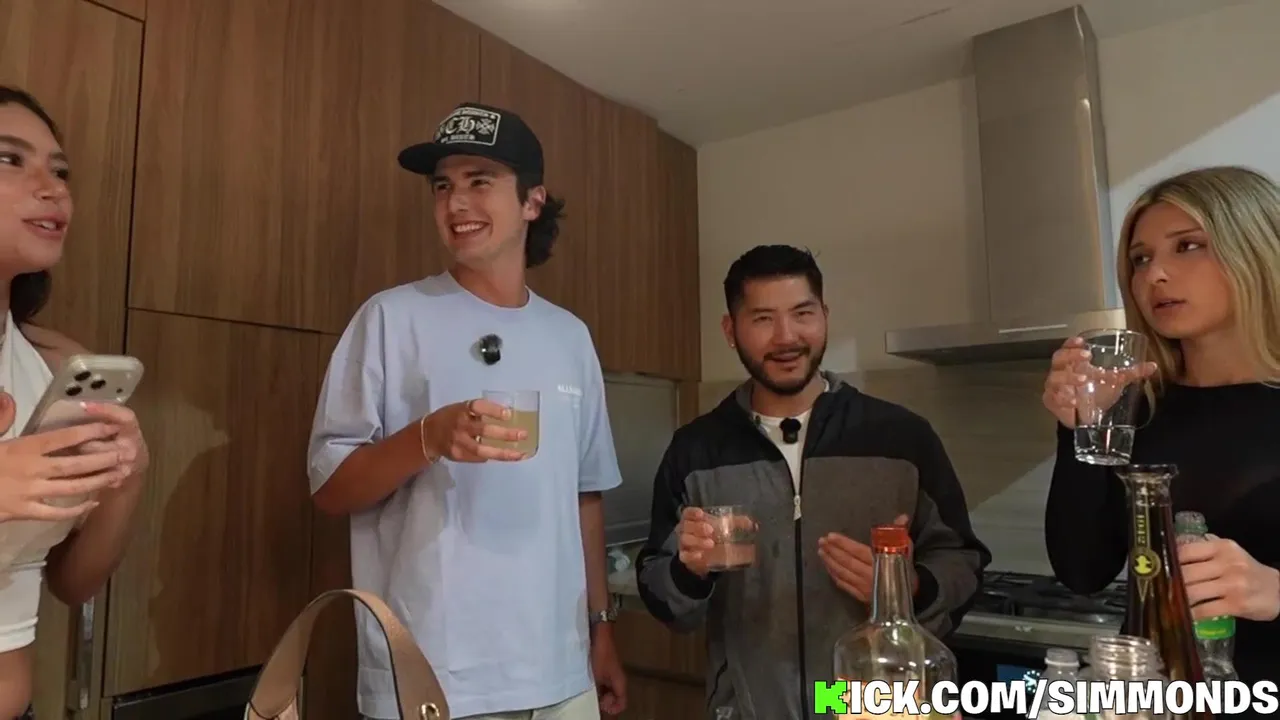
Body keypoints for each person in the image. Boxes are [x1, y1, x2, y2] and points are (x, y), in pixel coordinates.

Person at [308, 102, 627, 720]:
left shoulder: (569, 337)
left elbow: (584, 496)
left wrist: (601, 628)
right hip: (434, 676)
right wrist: (428, 437)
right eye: (442, 186)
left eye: (480, 181)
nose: (456, 203)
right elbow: (329, 489)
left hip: (561, 672)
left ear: (533, 201)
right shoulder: (391, 318)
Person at [634, 245, 989, 719]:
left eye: (802, 314)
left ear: (824, 315)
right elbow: (661, 592)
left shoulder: (901, 438)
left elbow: (962, 560)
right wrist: (689, 572)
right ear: (730, 330)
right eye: (763, 319)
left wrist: (910, 587)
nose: (787, 337)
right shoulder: (696, 451)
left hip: (867, 707)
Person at [1043, 165, 1280, 690]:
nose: (1155, 275)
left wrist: (1274, 591)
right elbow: (1082, 572)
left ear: (1256, 249)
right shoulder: (1139, 410)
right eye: (1140, 259)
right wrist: (1081, 429)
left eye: (1188, 246)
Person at [0, 86, 150, 718]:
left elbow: (71, 582)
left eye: (59, 171)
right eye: (10, 159)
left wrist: (128, 477)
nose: (53, 189)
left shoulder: (53, 365)